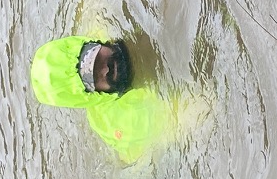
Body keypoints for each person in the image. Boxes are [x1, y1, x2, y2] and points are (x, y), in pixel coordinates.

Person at [29, 36, 173, 163]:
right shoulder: (129, 119)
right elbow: (182, 115)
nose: (106, 70)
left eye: (96, 59)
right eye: (94, 77)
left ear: (93, 43)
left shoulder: (99, 32)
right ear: (91, 95)